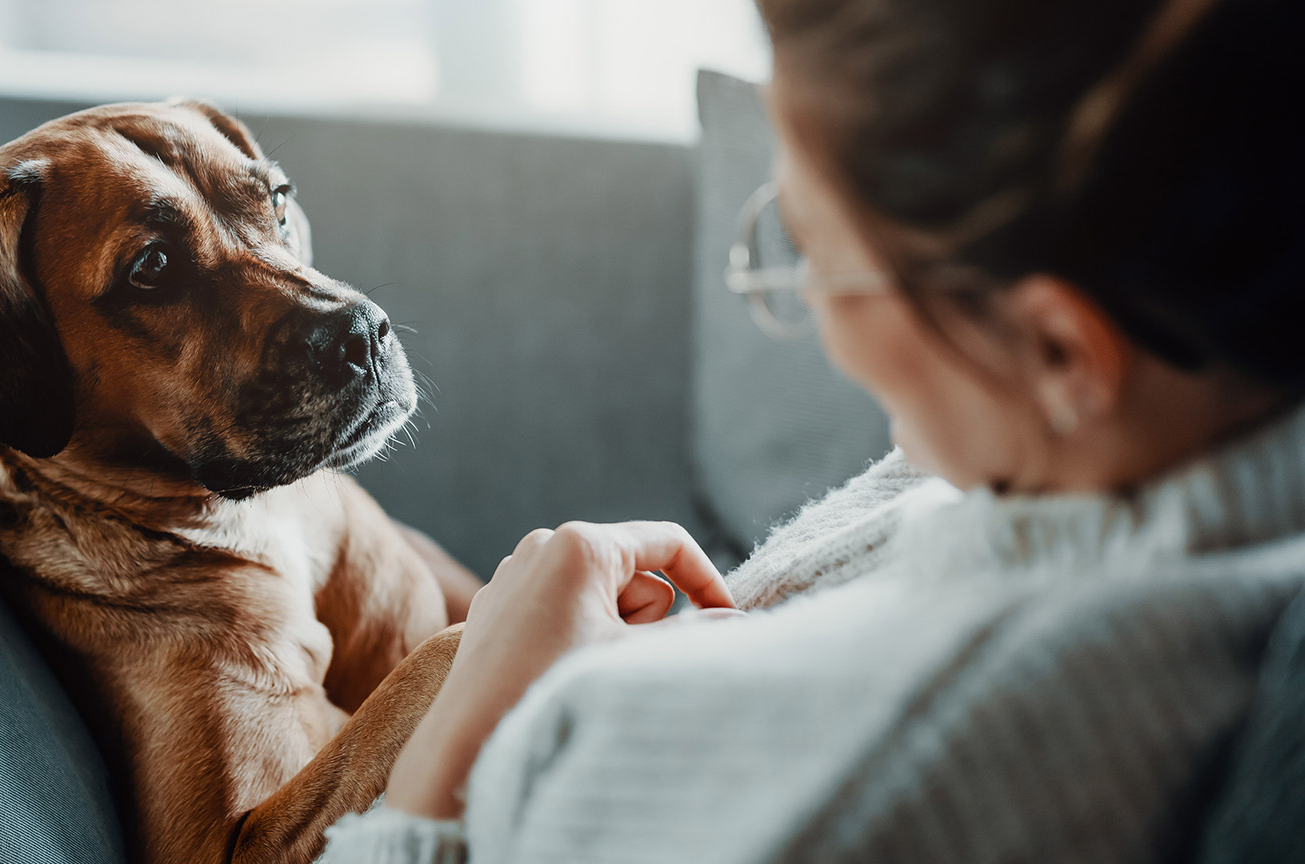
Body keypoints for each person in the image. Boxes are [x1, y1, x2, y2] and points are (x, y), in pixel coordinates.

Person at [321, 0, 1305, 859]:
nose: (798, 302)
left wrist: (457, 748)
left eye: (814, 251)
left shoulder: (860, 782)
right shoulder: (1127, 448)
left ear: (1059, 354)